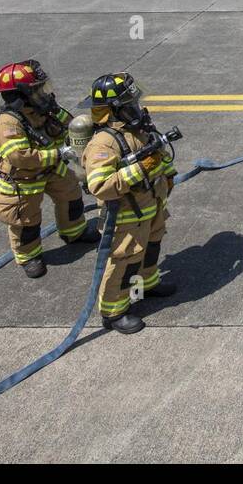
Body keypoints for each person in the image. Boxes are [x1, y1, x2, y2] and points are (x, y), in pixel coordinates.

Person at [80, 73, 178, 334]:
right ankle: (114, 311)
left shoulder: (138, 129)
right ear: (114, 110)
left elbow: (159, 155)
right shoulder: (105, 142)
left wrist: (168, 173)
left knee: (152, 246)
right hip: (125, 216)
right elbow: (100, 185)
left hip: (151, 206)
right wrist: (139, 170)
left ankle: (148, 283)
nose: (136, 107)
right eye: (129, 103)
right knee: (125, 261)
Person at [0, 60, 97, 279]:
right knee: (26, 221)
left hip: (51, 170)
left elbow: (71, 125)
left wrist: (58, 112)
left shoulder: (40, 110)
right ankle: (29, 256)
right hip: (23, 180)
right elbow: (21, 157)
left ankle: (73, 232)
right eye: (38, 89)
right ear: (22, 95)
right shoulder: (8, 123)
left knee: (72, 195)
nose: (44, 92)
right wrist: (59, 154)